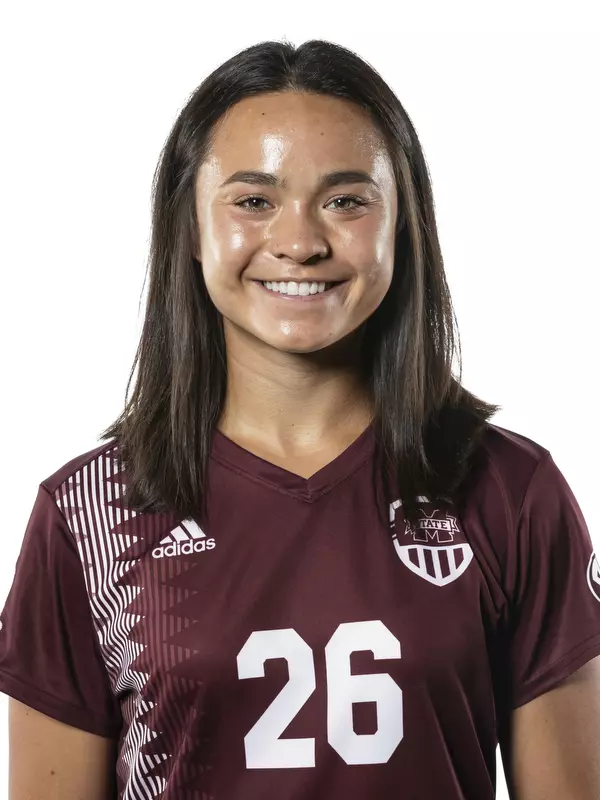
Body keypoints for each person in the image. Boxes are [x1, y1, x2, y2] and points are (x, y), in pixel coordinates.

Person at [1, 38, 599, 800]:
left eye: (346, 200)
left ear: (403, 224)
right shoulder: (87, 515)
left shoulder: (511, 493)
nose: (300, 243)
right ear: (189, 226)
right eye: (254, 201)